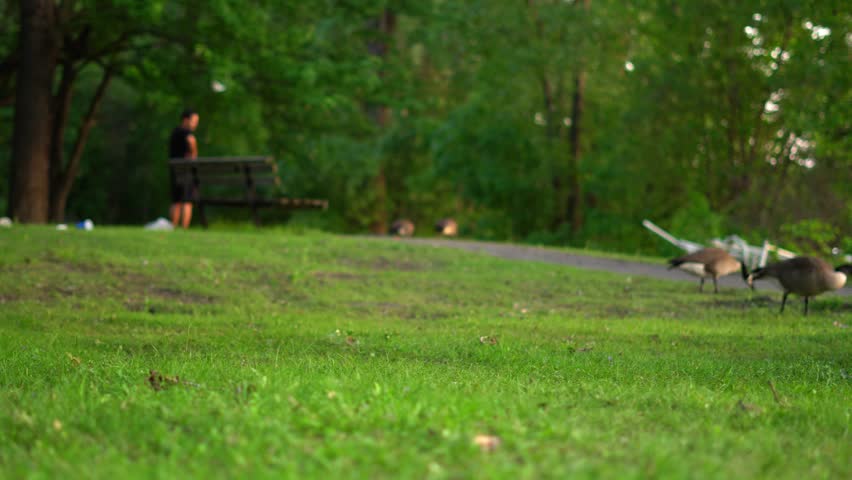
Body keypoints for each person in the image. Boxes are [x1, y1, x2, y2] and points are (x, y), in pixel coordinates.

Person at [168, 109, 199, 229]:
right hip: (186, 170)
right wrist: (194, 154)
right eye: (194, 121)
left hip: (175, 169)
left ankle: (173, 226)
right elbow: (191, 141)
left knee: (176, 200)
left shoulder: (175, 132)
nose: (196, 124)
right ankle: (184, 228)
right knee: (187, 201)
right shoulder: (186, 132)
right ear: (186, 120)